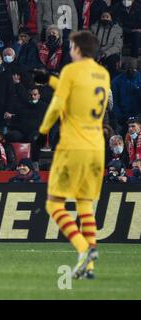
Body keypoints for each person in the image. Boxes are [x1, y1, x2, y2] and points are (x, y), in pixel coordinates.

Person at [36, 31, 110, 279]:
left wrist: (41, 133)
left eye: (70, 46)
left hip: (73, 147)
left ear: (78, 48)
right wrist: (49, 79)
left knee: (54, 203)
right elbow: (79, 91)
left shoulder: (71, 70)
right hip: (97, 148)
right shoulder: (103, 73)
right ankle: (89, 268)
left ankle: (83, 248)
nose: (69, 50)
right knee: (85, 206)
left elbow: (58, 105)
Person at [111, 58, 141, 134]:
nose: (130, 71)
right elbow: (115, 100)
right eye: (128, 69)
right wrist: (119, 116)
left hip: (138, 116)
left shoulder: (139, 79)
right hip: (123, 117)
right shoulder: (117, 81)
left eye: (133, 70)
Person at [90, 10, 123, 78]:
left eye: (107, 17)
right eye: (103, 17)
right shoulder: (94, 27)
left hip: (110, 53)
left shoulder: (117, 29)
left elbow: (118, 46)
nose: (105, 18)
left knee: (112, 61)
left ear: (111, 18)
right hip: (96, 52)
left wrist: (106, 53)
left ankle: (111, 82)